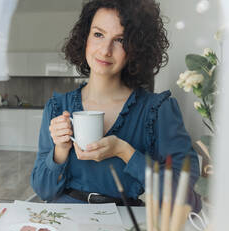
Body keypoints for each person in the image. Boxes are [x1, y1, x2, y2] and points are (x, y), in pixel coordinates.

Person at [30, 0, 201, 212]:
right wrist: (60, 150)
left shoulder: (158, 110)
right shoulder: (57, 107)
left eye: (120, 40)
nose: (105, 50)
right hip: (65, 219)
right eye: (98, 34)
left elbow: (187, 200)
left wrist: (125, 152)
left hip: (127, 224)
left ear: (136, 48)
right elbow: (43, 191)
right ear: (85, 37)